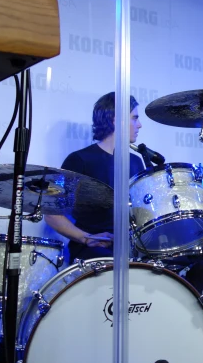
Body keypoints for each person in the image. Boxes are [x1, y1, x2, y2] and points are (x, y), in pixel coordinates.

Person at [45, 92, 144, 262]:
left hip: (130, 253)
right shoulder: (76, 160)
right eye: (134, 118)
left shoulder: (136, 161)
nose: (139, 125)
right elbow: (51, 212)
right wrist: (86, 238)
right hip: (92, 256)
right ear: (116, 120)